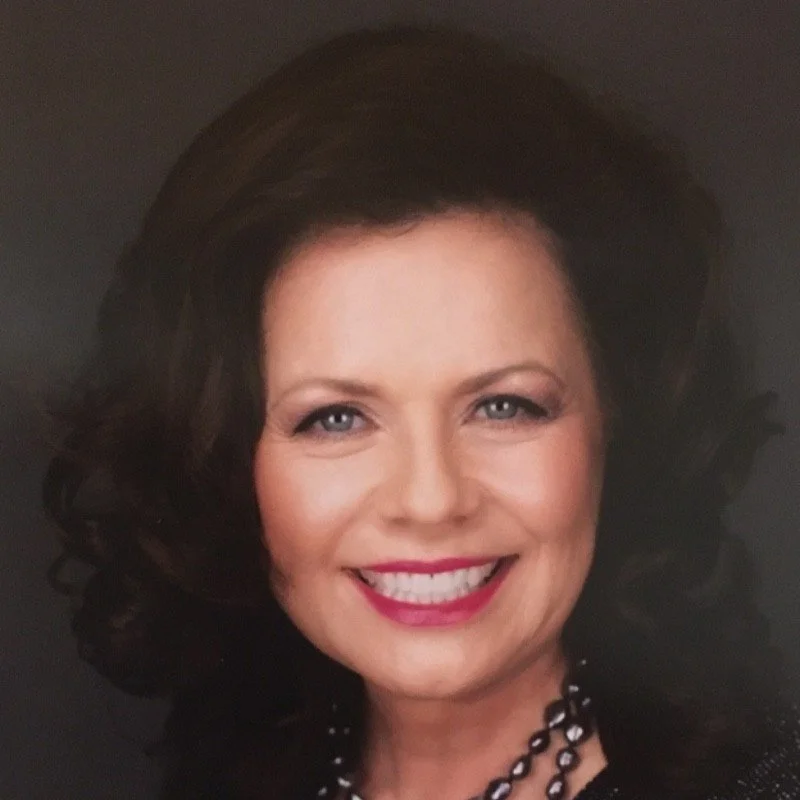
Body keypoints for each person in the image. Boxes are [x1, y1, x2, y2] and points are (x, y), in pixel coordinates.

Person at [43, 25, 799, 800]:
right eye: (336, 418)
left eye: (503, 406)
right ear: (230, 460)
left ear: (619, 417)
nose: (431, 499)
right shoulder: (230, 771)